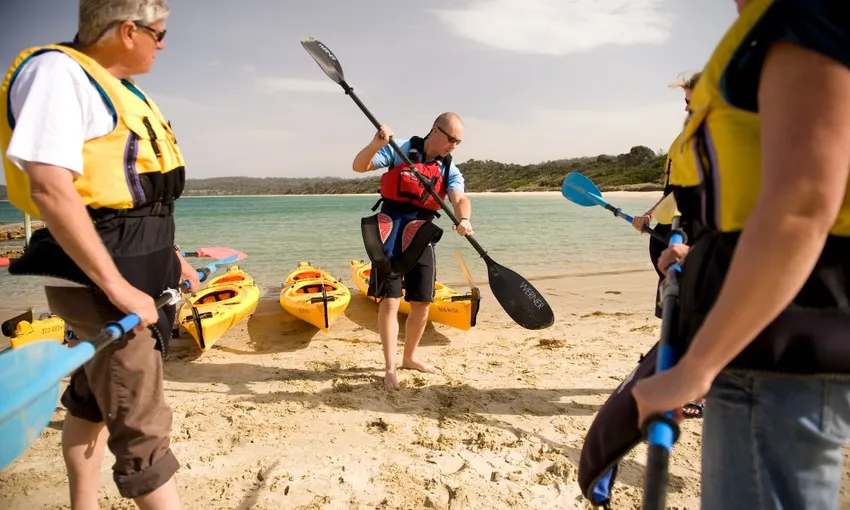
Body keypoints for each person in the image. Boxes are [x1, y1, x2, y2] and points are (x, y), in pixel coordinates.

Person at [632, 0, 850, 508]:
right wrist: (695, 255)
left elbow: (800, 206)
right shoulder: (771, 25)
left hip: (778, 349)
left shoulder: (805, 17)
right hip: (754, 343)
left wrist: (693, 371)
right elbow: (749, 203)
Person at [0, 1, 198, 508]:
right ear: (127, 31)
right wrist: (118, 287)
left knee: (90, 405)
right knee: (145, 432)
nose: (164, 44)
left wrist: (173, 257)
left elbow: (135, 197)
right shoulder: (58, 73)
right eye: (159, 33)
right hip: (103, 281)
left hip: (136, 273)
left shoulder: (121, 90)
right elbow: (49, 186)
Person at [352, 113, 473, 391]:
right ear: (435, 130)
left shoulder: (448, 168)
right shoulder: (401, 149)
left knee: (422, 303)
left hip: (420, 233)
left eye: (459, 142)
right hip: (390, 231)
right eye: (450, 139)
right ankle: (390, 367)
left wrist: (464, 219)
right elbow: (359, 166)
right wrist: (374, 144)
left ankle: (410, 357)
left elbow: (459, 198)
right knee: (390, 302)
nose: (453, 146)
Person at [631, 71, 705, 418]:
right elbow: (673, 192)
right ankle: (672, 371)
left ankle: (691, 388)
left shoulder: (719, 142)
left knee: (691, 312)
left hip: (691, 235)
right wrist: (649, 216)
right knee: (672, 309)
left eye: (692, 102)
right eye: (686, 104)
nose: (687, 110)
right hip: (670, 231)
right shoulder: (686, 138)